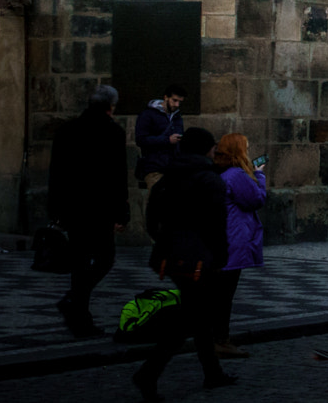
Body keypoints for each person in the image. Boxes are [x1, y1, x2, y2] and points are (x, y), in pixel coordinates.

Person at [136, 129, 231, 400]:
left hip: (170, 256)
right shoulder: (210, 179)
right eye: (212, 147)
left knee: (199, 317)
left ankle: (212, 373)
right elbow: (216, 225)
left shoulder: (167, 178)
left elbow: (152, 219)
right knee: (189, 320)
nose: (215, 151)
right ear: (205, 150)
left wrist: (165, 243)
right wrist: (220, 258)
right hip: (200, 258)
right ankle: (148, 373)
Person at [49, 83, 129, 338]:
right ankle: (75, 303)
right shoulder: (113, 132)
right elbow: (117, 176)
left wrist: (55, 208)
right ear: (111, 106)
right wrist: (122, 212)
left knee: (80, 261)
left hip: (73, 207)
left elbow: (56, 172)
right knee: (104, 258)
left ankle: (79, 315)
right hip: (100, 208)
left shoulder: (67, 130)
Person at [210, 132, 266, 359]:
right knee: (225, 295)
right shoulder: (235, 175)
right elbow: (256, 199)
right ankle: (220, 340)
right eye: (247, 147)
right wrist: (259, 176)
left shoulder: (222, 171)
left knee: (219, 294)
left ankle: (215, 340)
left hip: (222, 238)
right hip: (233, 239)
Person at [134, 83, 186, 187]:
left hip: (173, 167)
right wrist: (167, 140)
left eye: (179, 102)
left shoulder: (177, 116)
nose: (177, 105)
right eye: (174, 100)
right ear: (166, 97)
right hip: (154, 167)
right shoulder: (148, 115)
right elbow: (141, 139)